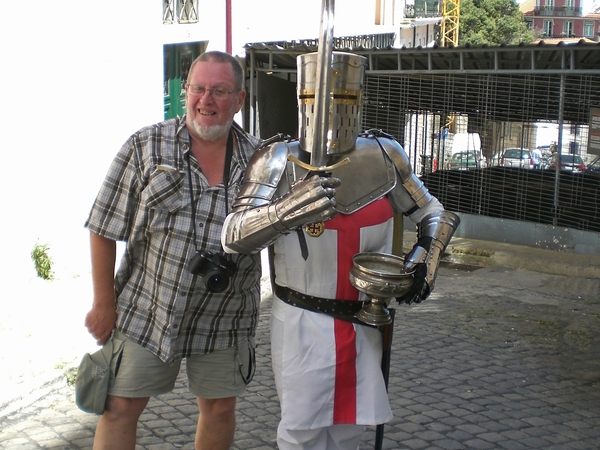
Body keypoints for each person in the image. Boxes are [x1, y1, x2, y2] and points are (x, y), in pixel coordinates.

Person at [221, 51, 460, 449]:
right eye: (316, 98)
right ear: (302, 97)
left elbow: (433, 212)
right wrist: (285, 211)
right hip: (301, 320)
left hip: (366, 316)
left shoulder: (384, 155)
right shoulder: (277, 158)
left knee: (352, 428)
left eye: (343, 99)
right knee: (301, 431)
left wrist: (425, 261)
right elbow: (233, 235)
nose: (330, 110)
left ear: (359, 96)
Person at [84, 50, 262, 450]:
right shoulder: (146, 145)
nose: (206, 99)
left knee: (219, 410)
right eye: (198, 88)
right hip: (149, 306)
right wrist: (103, 302)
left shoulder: (261, 161)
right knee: (117, 407)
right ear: (185, 93)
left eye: (219, 90)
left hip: (227, 313)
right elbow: (102, 227)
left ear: (240, 99)